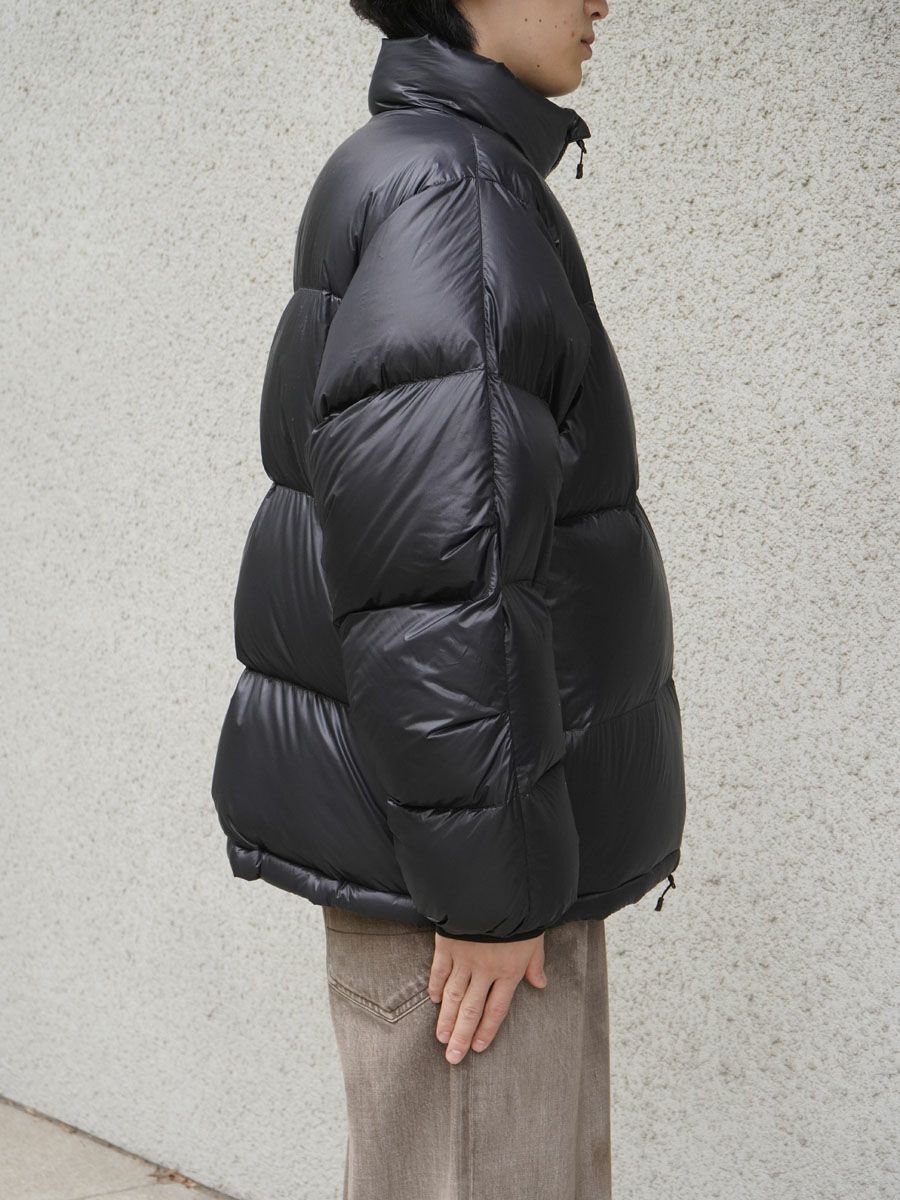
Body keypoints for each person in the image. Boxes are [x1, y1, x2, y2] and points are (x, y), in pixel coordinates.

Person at [211, 1, 686, 1195]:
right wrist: (489, 896)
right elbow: (441, 576)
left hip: (471, 840)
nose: (602, 1)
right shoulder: (455, 193)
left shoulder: (419, 167)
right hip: (471, 878)